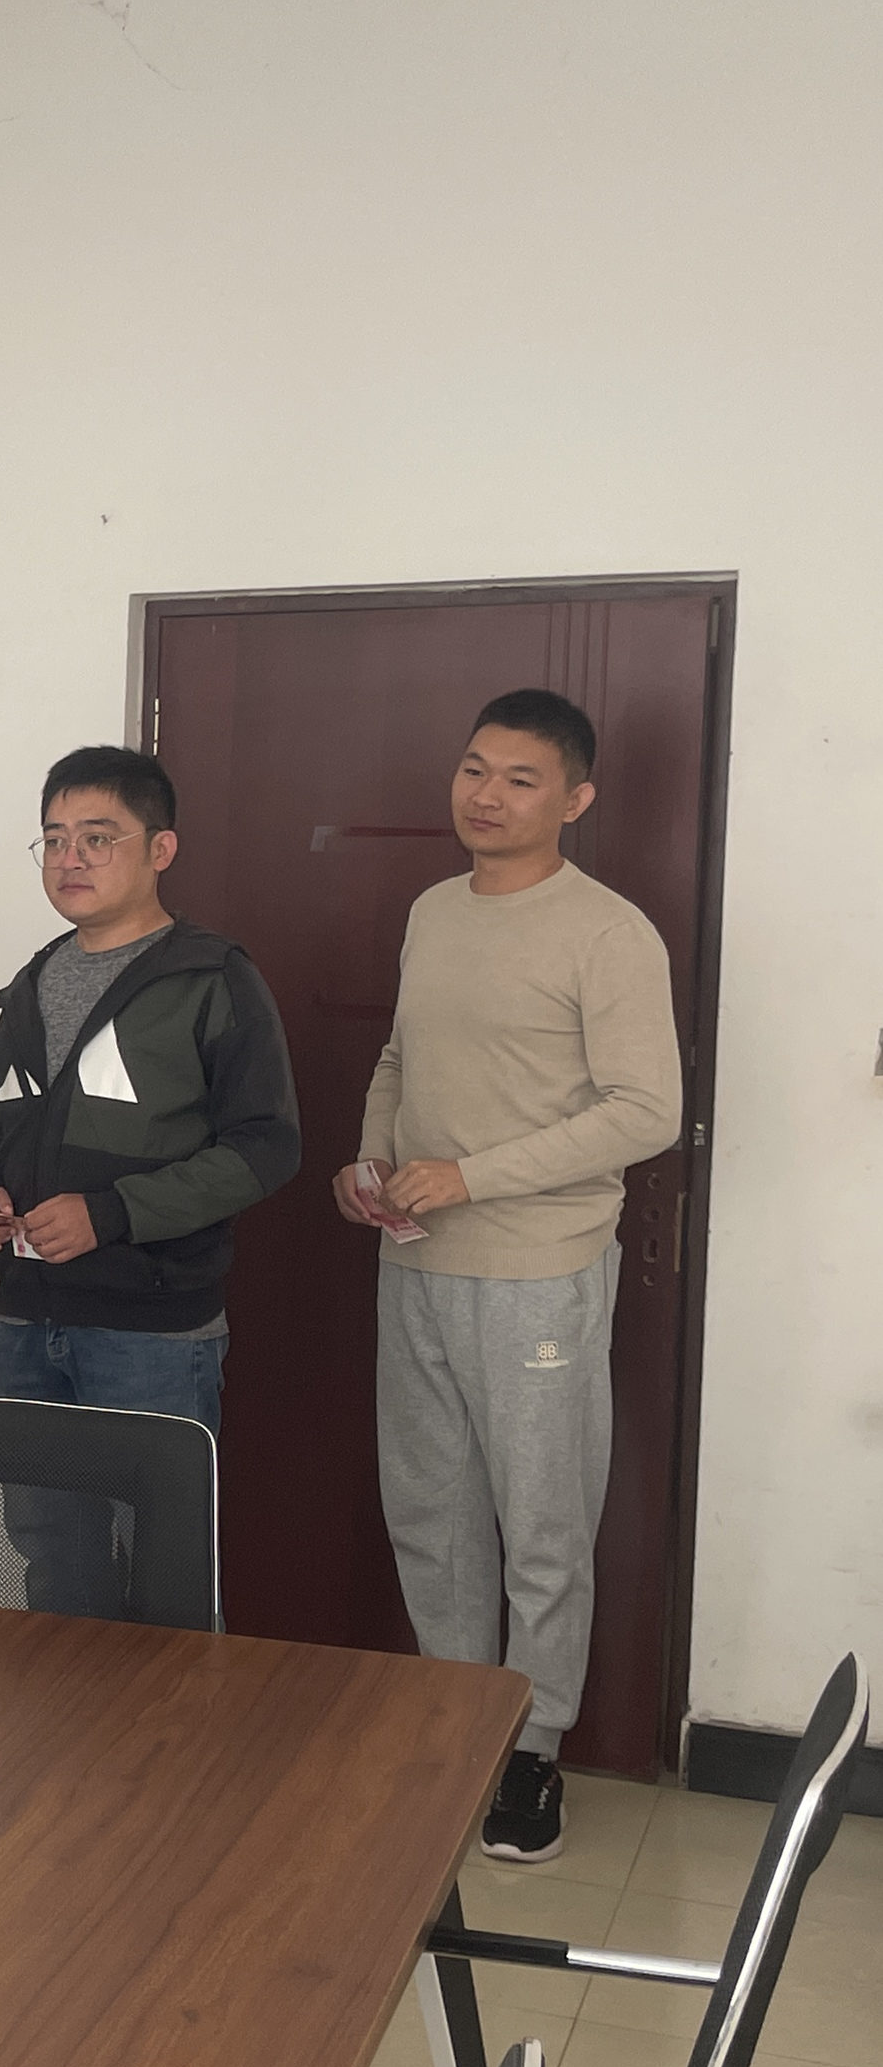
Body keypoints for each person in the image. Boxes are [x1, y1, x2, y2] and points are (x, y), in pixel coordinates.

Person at [339, 690, 679, 1863]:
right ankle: (457, 1724)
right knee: (429, 1510)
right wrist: (373, 1161)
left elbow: (647, 1111)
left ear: (575, 799)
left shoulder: (608, 932)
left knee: (542, 1522)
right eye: (475, 769)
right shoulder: (434, 910)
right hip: (415, 1260)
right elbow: (401, 1054)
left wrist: (472, 1176)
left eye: (520, 779)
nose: (486, 795)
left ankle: (532, 1748)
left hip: (539, 1271)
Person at [0, 746, 299, 1616]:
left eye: (97, 837)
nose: (70, 858)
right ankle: (69, 1713)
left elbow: (264, 1147)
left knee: (163, 1568)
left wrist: (110, 1214)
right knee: (51, 1557)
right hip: (27, 1320)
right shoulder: (30, 982)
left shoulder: (211, 977)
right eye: (53, 838)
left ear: (160, 849)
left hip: (151, 1335)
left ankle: (176, 1716)